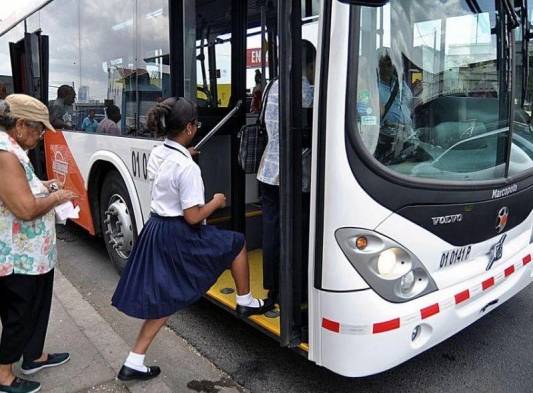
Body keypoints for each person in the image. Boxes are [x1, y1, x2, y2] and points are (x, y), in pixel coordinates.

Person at [111, 97, 273, 382]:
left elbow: (170, 164)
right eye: (196, 124)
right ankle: (245, 299)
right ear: (188, 128)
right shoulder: (187, 169)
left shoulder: (160, 152)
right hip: (179, 232)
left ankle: (133, 361)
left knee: (165, 300)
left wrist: (187, 154)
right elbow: (194, 217)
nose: (197, 127)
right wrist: (216, 201)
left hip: (157, 229)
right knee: (236, 243)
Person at [0, 94, 78, 393]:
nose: (41, 134)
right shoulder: (5, 154)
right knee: (20, 313)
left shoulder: (15, 149)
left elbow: (24, 189)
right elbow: (24, 208)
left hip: (34, 254)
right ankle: (4, 375)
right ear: (19, 125)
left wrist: (46, 185)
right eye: (38, 128)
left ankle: (33, 356)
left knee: (36, 307)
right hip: (18, 256)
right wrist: (59, 196)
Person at [256, 40, 316, 305]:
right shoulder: (311, 93)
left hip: (268, 171)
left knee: (271, 228)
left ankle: (273, 287)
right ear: (310, 64)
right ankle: (295, 288)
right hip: (297, 176)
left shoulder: (272, 86)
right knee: (297, 232)